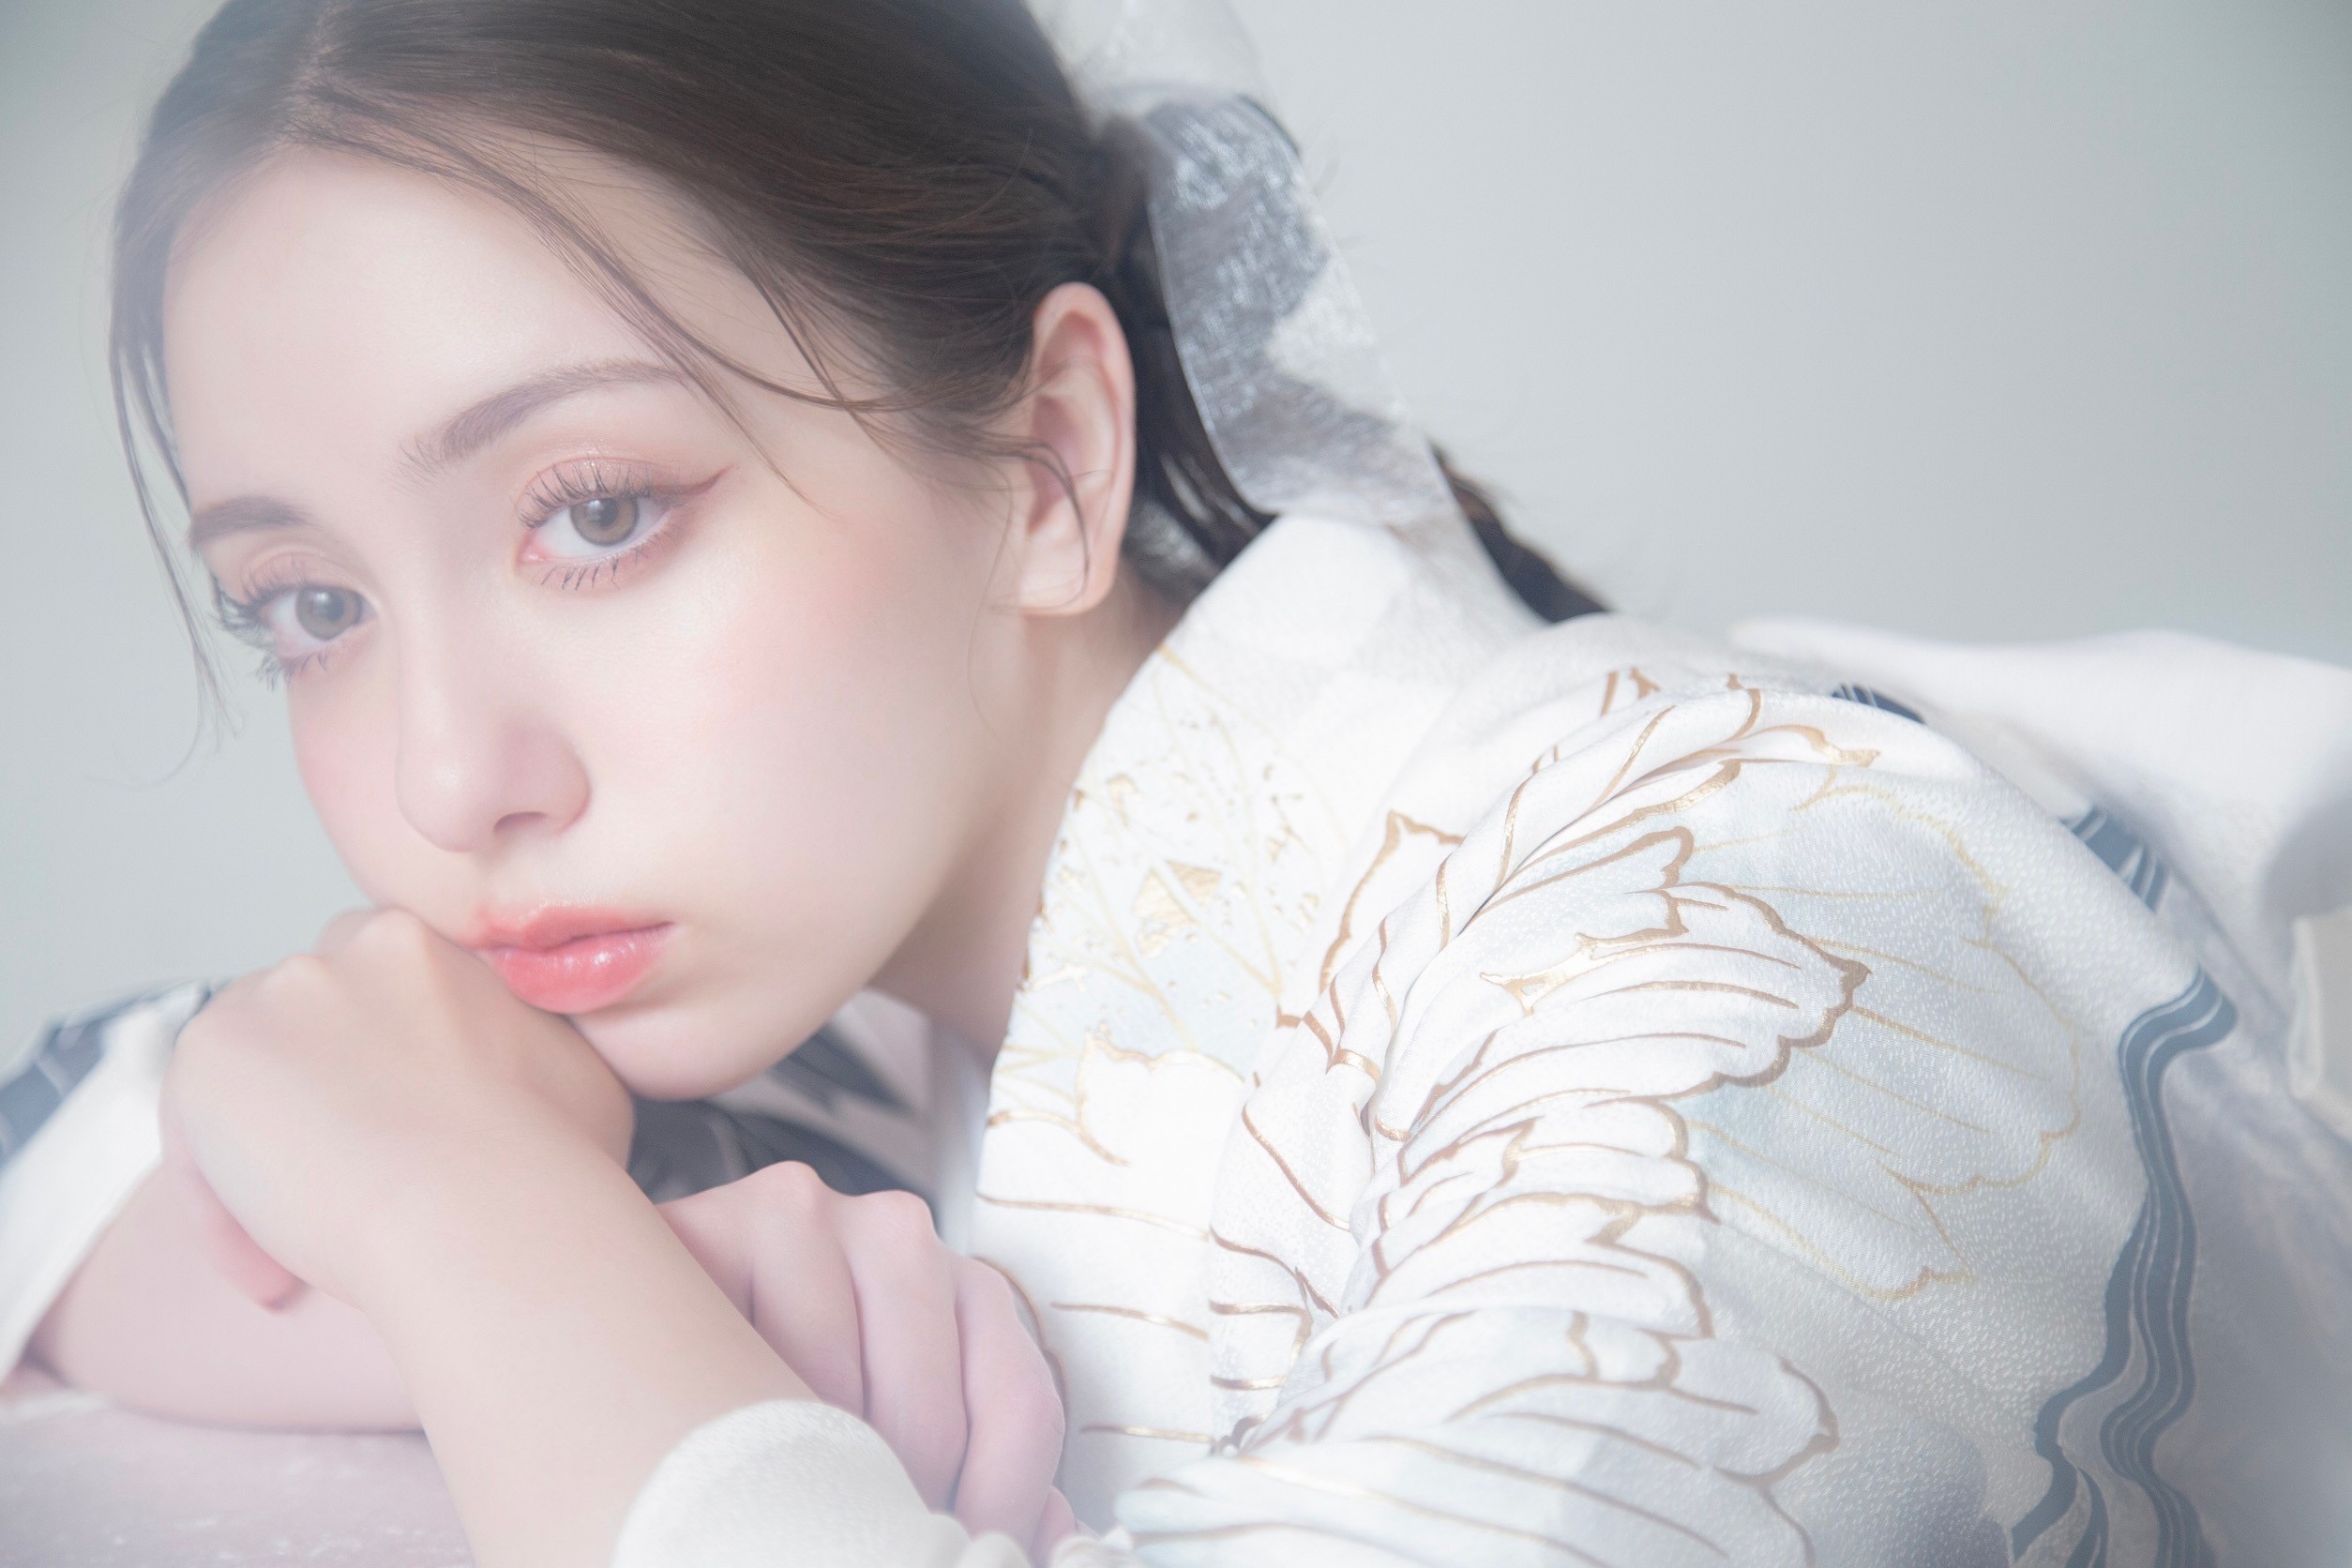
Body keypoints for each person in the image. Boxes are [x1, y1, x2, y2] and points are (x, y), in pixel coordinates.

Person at [3, 0, 2349, 1563]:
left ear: (1047, 454)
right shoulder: (850, 1033)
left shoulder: (1753, 925)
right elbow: (77, 1162)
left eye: (597, 509)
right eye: (309, 606)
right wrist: (554, 1255)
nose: (446, 776)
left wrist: (475, 1240)